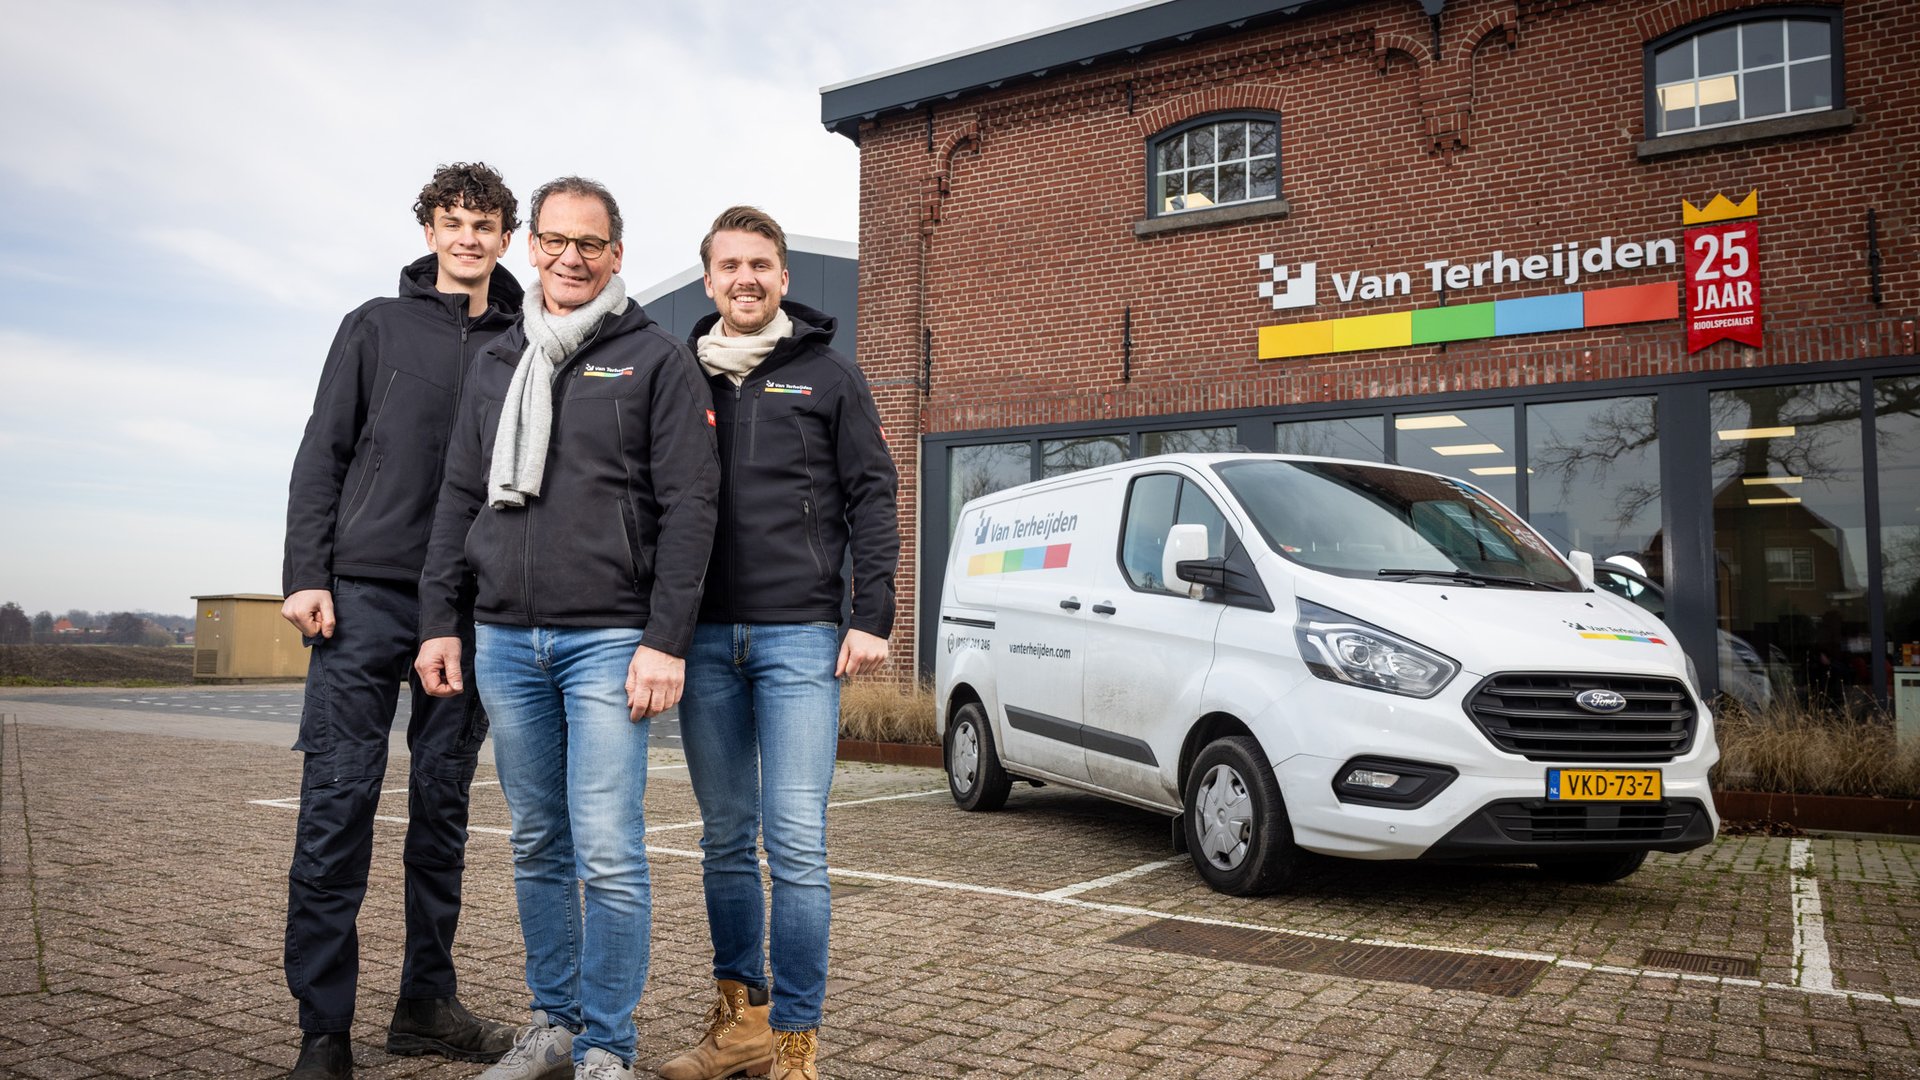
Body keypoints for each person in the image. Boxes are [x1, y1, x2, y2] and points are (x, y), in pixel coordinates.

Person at [415, 176, 719, 1080]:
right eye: (555, 241)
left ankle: (609, 1047)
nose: (571, 258)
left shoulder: (657, 359)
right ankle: (553, 1025)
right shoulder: (498, 361)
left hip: (610, 640)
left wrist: (665, 639)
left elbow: (691, 507)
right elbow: (459, 498)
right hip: (506, 638)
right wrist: (441, 621)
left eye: (591, 243)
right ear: (531, 248)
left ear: (616, 255)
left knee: (609, 847)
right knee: (540, 841)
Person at [279, 162, 523, 1080]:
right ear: (429, 231)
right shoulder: (372, 327)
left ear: (506, 237)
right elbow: (321, 452)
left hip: (463, 608)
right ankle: (324, 1028)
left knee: (443, 809)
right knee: (338, 802)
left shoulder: (529, 341)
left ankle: (426, 1001)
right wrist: (309, 572)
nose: (468, 237)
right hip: (364, 599)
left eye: (485, 223)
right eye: (452, 221)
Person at [656, 206, 898, 1080]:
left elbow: (874, 495)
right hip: (703, 640)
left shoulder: (829, 378)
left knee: (795, 842)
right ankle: (741, 1023)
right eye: (729, 266)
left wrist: (872, 614)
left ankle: (797, 1045)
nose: (745, 279)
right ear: (709, 278)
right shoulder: (678, 379)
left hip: (801, 638)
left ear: (784, 278)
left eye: (761, 264)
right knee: (724, 837)